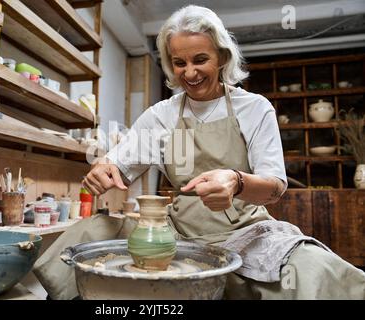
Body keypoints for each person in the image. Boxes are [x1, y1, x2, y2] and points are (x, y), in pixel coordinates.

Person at [34, 5, 365, 299]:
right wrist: (105, 168)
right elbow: (120, 165)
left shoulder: (254, 109)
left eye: (200, 59)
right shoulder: (161, 115)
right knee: (87, 234)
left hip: (246, 231)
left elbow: (276, 186)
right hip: (177, 231)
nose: (189, 72)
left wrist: (236, 182)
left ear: (221, 57)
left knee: (312, 266)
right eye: (179, 63)